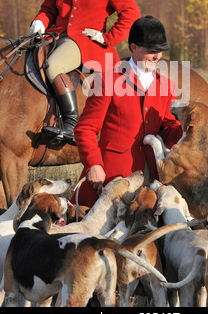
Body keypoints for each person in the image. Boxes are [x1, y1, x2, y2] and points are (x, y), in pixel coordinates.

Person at [30, 0, 140, 144]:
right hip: (57, 36)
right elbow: (49, 9)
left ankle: (71, 123)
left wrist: (106, 37)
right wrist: (39, 22)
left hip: (87, 43)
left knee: (53, 65)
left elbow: (131, 13)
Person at [70, 16, 183, 208]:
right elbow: (85, 129)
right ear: (133, 47)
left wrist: (187, 128)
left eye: (160, 51)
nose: (157, 56)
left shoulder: (166, 86)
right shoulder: (107, 80)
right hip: (111, 177)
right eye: (151, 51)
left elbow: (166, 128)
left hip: (150, 181)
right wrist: (93, 165)